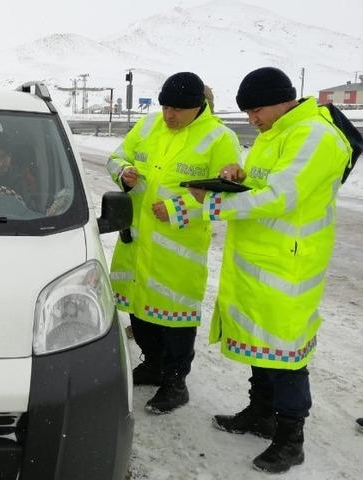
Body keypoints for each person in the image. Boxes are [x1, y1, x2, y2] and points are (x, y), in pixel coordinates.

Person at [185, 67, 352, 473]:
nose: (251, 119)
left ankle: (290, 438)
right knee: (262, 341)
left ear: (283, 100)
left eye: (256, 110)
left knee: (286, 352)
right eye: (247, 112)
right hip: (258, 258)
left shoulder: (315, 136)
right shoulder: (273, 134)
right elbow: (262, 183)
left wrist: (215, 203)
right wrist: (237, 175)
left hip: (288, 265)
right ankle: (260, 413)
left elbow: (280, 195)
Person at [106, 71, 241, 414]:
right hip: (137, 238)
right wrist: (124, 172)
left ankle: (175, 382)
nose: (169, 115)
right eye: (166, 107)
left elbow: (222, 195)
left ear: (198, 107)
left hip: (177, 248)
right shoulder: (149, 126)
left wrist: (176, 209)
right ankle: (152, 366)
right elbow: (116, 157)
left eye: (178, 110)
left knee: (176, 317)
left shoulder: (219, 138)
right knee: (140, 310)